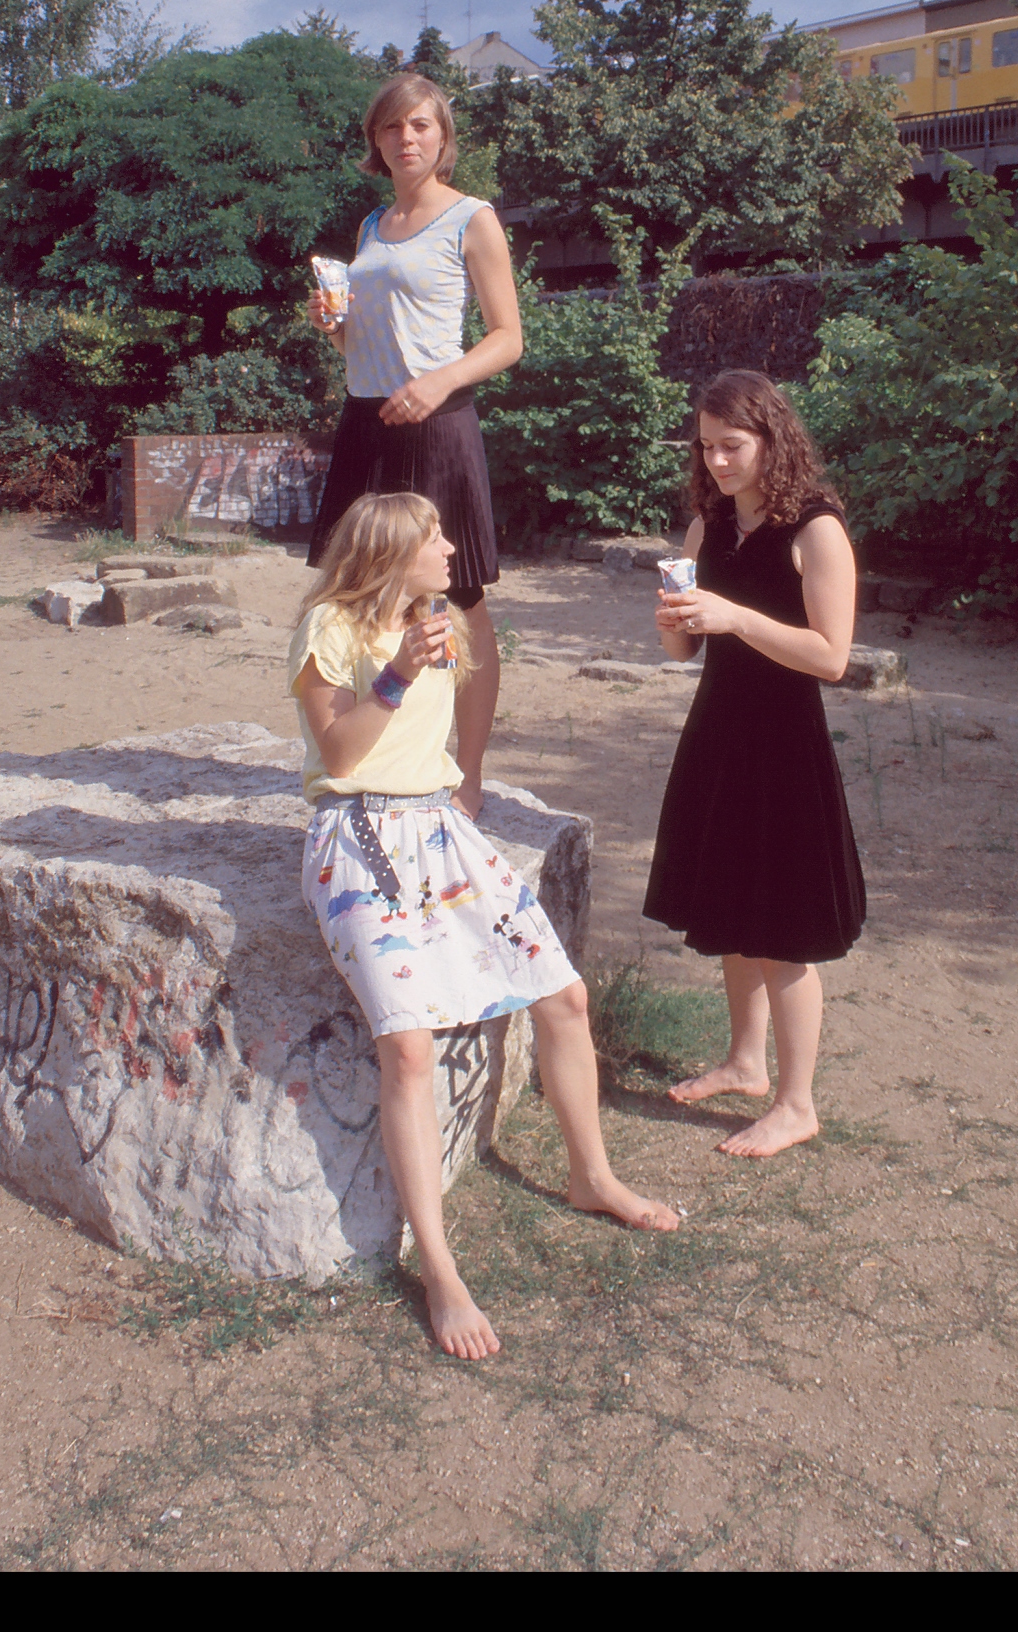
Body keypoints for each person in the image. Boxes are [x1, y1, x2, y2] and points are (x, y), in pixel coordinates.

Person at [292, 490, 679, 1361]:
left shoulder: (445, 622)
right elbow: (344, 755)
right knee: (409, 1047)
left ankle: (592, 1178)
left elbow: (449, 732)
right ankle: (439, 1269)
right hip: (356, 837)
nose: (452, 549)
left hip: (439, 827)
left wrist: (464, 783)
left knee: (566, 997)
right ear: (390, 554)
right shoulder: (329, 631)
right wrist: (395, 674)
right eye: (435, 539)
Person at [645, 370, 866, 1158]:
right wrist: (676, 618)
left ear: (772, 438)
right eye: (705, 448)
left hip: (783, 744)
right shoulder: (709, 527)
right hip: (719, 732)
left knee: (784, 931)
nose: (716, 463)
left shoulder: (816, 528)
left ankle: (797, 1102)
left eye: (731, 446)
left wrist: (735, 616)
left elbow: (832, 657)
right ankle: (744, 1061)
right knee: (735, 910)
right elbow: (682, 649)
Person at [306, 72, 520, 818]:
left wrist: (439, 382)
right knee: (357, 588)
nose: (407, 139)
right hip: (368, 420)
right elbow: (368, 343)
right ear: (375, 140)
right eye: (393, 128)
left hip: (437, 424)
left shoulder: (472, 218)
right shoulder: (371, 227)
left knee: (458, 599)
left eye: (421, 126)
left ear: (442, 136)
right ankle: (375, 752)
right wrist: (336, 327)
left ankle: (468, 773)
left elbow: (508, 338)